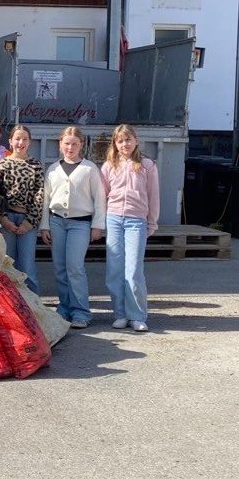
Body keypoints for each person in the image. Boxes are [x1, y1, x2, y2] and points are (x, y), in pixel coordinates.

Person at [39, 126, 106, 329]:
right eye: (66, 143)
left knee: (75, 267)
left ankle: (81, 311)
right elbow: (46, 200)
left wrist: (97, 226)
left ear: (81, 145)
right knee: (60, 268)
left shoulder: (89, 169)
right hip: (57, 221)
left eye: (74, 144)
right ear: (60, 145)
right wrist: (45, 226)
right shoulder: (53, 169)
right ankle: (64, 307)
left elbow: (99, 200)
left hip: (80, 224)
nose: (70, 147)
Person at [101, 124, 160, 333]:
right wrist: (101, 222)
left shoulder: (146, 165)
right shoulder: (109, 166)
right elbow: (103, 196)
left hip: (137, 220)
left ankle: (137, 315)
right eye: (120, 141)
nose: (124, 144)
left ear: (136, 141)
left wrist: (152, 222)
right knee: (114, 269)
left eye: (128, 139)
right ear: (115, 145)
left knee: (133, 270)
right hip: (114, 219)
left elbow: (153, 196)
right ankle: (120, 314)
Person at [0, 124, 43, 294]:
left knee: (27, 265)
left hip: (27, 221)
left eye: (24, 139)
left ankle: (34, 305)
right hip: (8, 219)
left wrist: (29, 223)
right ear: (10, 141)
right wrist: (3, 219)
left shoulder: (35, 165)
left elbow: (40, 195)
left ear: (29, 142)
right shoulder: (3, 165)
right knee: (8, 264)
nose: (20, 142)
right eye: (17, 138)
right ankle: (12, 303)